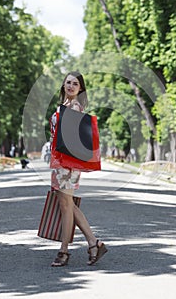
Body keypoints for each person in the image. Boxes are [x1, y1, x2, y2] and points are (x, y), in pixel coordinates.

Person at [49, 71, 107, 267]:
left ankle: (64, 252)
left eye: (75, 83)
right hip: (60, 164)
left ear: (80, 88)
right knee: (68, 206)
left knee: (66, 207)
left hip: (68, 164)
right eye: (68, 82)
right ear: (63, 85)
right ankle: (93, 243)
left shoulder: (74, 106)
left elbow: (72, 140)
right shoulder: (65, 105)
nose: (71, 86)